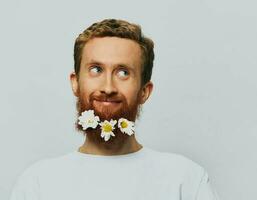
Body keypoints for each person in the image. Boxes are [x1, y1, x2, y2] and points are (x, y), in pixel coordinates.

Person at [10, 18, 220, 200]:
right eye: (96, 69)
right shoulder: (37, 184)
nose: (108, 88)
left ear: (144, 91)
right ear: (75, 83)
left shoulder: (186, 180)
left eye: (123, 73)